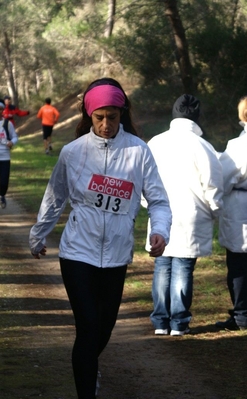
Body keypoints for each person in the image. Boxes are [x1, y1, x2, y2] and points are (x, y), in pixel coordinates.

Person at [29, 77, 172, 399]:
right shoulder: (73, 152)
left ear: (122, 114)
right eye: (100, 117)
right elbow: (55, 197)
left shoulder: (139, 151)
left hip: (117, 254)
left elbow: (159, 200)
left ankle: (88, 367)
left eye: (113, 117)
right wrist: (38, 235)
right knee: (89, 326)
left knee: (104, 328)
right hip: (78, 252)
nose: (106, 124)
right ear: (88, 116)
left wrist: (160, 231)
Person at [144, 94, 223, 336]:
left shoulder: (155, 142)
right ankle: (179, 322)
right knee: (183, 267)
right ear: (196, 117)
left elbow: (142, 177)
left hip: (161, 211)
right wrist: (215, 209)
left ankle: (160, 321)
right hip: (191, 213)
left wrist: (146, 203)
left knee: (162, 264)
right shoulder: (203, 146)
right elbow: (213, 183)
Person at [215, 96, 247, 331]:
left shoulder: (239, 146)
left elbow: (223, 178)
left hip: (241, 207)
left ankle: (242, 314)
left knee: (238, 265)